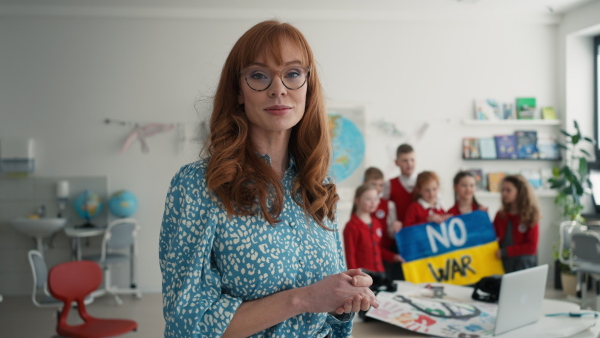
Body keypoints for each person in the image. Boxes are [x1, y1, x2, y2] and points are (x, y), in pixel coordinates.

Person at [159, 20, 377, 338]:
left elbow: (327, 318)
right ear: (238, 90)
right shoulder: (197, 186)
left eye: (292, 74)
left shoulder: (318, 183)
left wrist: (342, 297)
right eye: (259, 75)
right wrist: (303, 299)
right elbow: (188, 325)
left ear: (307, 85)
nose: (278, 89)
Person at [343, 184, 402, 293]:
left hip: (380, 273)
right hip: (363, 276)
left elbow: (378, 249)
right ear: (357, 200)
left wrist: (393, 257)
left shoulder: (376, 223)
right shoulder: (352, 226)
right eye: (369, 199)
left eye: (375, 199)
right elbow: (350, 255)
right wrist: (355, 278)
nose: (373, 202)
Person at [380, 144, 416, 279]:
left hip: (417, 239)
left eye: (412, 160)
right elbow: (384, 211)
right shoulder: (390, 184)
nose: (409, 164)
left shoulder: (423, 183)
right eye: (405, 160)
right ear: (397, 162)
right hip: (397, 241)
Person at [493, 175, 540, 273]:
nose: (504, 193)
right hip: (504, 262)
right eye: (502, 190)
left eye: (508, 190)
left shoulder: (530, 215)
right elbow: (492, 236)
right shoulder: (500, 215)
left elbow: (531, 247)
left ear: (520, 192)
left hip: (523, 264)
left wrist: (506, 252)